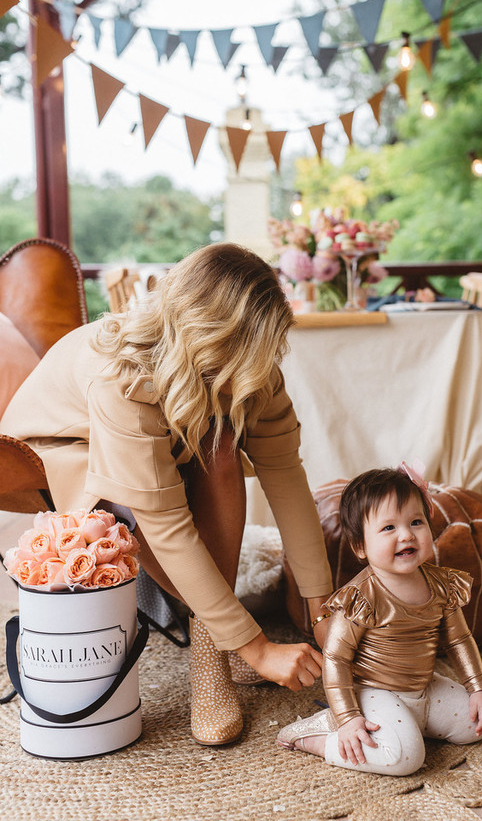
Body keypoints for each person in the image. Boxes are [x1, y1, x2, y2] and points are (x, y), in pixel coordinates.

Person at [0, 243, 333, 746]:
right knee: (148, 493)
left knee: (221, 444)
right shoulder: (122, 378)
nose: (258, 371)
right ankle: (214, 655)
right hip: (59, 447)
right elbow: (165, 524)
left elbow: (286, 477)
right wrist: (257, 648)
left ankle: (216, 638)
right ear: (206, 337)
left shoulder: (251, 364)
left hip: (166, 430)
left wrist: (321, 607)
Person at [277, 465, 482, 775]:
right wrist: (349, 717)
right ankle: (321, 735)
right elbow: (336, 659)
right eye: (389, 528)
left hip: (422, 688)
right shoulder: (361, 597)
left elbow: (460, 639)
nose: (406, 535)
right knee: (405, 759)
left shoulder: (441, 585)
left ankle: (408, 724)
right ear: (360, 546)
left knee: (476, 724)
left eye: (416, 522)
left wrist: (478, 688)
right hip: (373, 692)